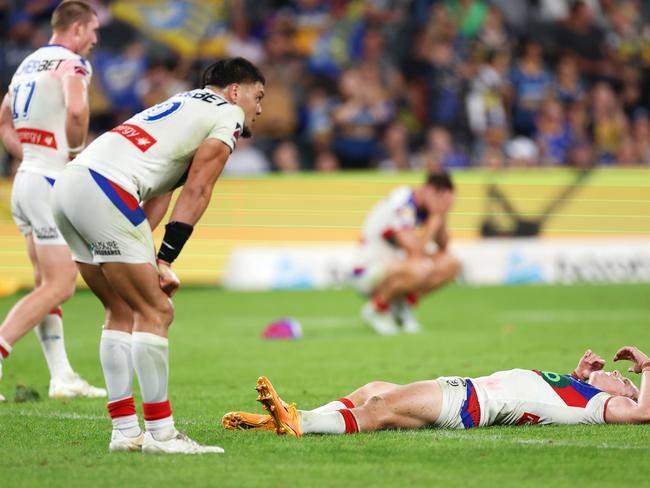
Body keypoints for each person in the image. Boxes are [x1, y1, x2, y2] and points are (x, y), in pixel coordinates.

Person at [51, 57, 265, 454]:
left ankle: (125, 432)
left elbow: (158, 194)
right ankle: (162, 435)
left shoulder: (183, 104)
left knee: (119, 308)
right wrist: (165, 260)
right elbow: (199, 188)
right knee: (157, 312)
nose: (259, 107)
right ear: (236, 91)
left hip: (70, 186)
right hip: (106, 188)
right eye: (258, 95)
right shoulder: (228, 114)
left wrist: (154, 260)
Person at [0, 1, 105, 401]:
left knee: (46, 284)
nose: (95, 41)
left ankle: (62, 376)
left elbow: (4, 121)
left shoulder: (27, 64)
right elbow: (77, 108)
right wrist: (75, 151)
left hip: (27, 180)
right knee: (60, 286)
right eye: (93, 31)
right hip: (48, 181)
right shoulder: (73, 63)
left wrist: (25, 153)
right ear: (77, 28)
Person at [223, 346, 650, 436]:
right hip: (465, 393)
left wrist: (647, 367)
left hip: (467, 401)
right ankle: (283, 418)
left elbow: (643, 412)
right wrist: (577, 373)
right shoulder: (579, 390)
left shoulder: (599, 404)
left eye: (627, 382)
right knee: (372, 387)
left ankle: (300, 422)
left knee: (380, 407)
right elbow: (547, 391)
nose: (622, 376)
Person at [350, 172, 460, 335]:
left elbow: (443, 247)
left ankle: (401, 307)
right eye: (440, 200)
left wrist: (442, 216)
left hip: (393, 265)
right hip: (366, 270)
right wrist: (435, 218)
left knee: (451, 264)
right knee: (420, 267)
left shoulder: (426, 209)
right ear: (429, 190)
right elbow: (414, 251)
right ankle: (377, 309)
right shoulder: (404, 202)